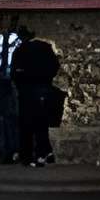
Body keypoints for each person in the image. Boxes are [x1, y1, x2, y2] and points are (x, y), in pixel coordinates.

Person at [13, 36, 64, 166]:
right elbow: (55, 66)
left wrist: (21, 82)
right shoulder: (45, 48)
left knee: (26, 124)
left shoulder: (21, 49)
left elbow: (14, 71)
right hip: (42, 87)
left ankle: (27, 155)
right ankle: (42, 152)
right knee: (41, 123)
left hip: (26, 89)